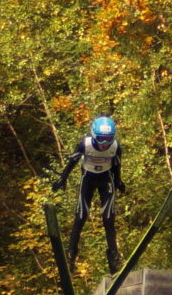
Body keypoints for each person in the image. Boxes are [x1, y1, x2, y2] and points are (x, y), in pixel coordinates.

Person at [52, 115, 126, 274]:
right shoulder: (84, 145)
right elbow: (72, 162)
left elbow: (116, 165)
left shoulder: (115, 147)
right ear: (93, 135)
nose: (104, 143)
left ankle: (114, 257)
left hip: (106, 179)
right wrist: (63, 178)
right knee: (80, 217)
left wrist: (118, 181)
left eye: (108, 139)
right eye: (101, 138)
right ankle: (71, 255)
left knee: (108, 219)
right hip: (88, 179)